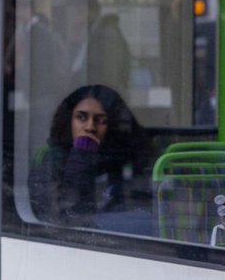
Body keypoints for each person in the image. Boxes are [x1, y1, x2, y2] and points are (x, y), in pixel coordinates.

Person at [28, 84, 150, 226]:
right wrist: (81, 159)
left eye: (100, 120)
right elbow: (59, 215)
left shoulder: (125, 160)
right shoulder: (52, 161)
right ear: (69, 120)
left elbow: (140, 208)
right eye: (81, 117)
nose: (90, 127)